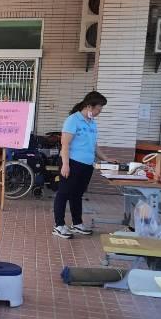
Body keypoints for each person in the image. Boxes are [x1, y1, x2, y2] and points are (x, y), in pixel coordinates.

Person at [53, 91, 108, 239]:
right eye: (98, 109)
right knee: (63, 194)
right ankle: (59, 225)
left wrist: (107, 159)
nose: (99, 112)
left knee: (77, 195)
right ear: (89, 106)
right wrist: (65, 165)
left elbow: (94, 146)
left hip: (87, 165)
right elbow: (65, 144)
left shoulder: (91, 122)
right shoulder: (73, 120)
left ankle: (77, 223)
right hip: (71, 162)